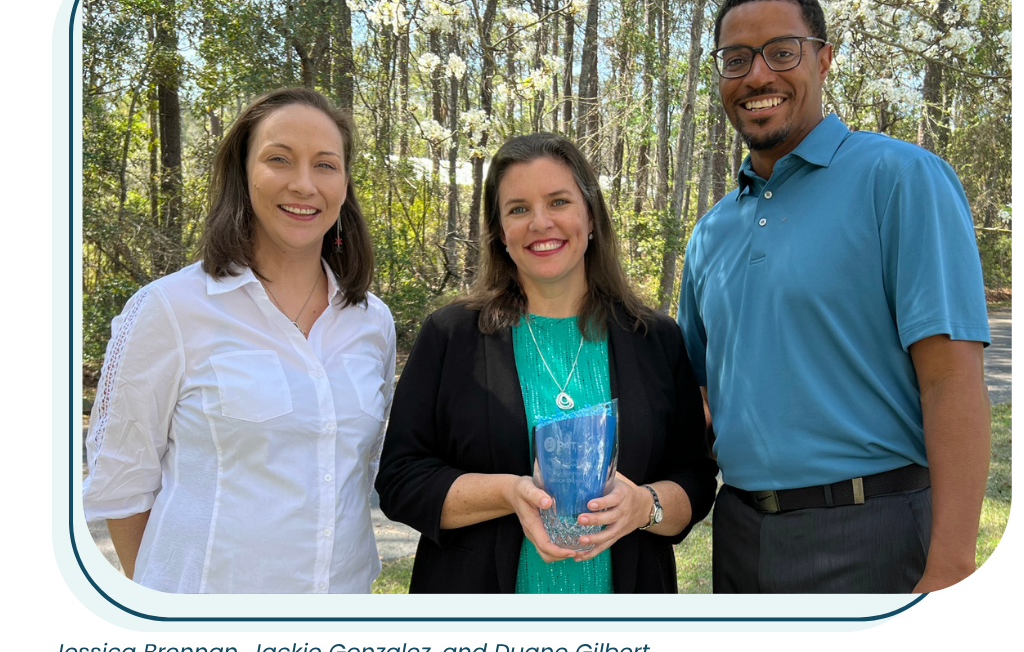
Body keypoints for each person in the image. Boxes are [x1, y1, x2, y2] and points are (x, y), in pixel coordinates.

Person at [677, 0, 991, 594]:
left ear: (823, 60)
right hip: (740, 537)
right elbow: (701, 394)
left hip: (873, 531)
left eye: (782, 52)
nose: (757, 75)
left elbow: (951, 380)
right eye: (735, 60)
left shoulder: (900, 179)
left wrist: (952, 566)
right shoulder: (710, 232)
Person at [83, 87, 396, 593]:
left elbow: (360, 470)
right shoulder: (170, 309)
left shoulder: (372, 322)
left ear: (344, 185)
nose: (303, 184)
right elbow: (122, 486)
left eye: (325, 165)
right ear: (242, 173)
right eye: (279, 159)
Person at [376, 133, 717, 594]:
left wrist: (643, 505)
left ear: (590, 216)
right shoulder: (451, 336)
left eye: (558, 202)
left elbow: (694, 479)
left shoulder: (655, 339)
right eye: (518, 209)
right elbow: (401, 481)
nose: (541, 223)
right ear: (500, 232)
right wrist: (507, 494)